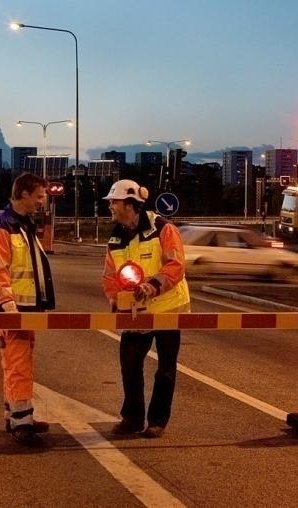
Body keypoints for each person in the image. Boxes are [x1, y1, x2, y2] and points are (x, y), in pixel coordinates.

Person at [101, 179, 190, 439]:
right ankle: (132, 418)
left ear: (131, 204)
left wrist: (152, 286)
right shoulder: (115, 238)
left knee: (165, 369)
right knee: (129, 365)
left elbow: (176, 265)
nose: (111, 207)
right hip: (135, 312)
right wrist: (115, 299)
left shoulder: (163, 229)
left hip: (167, 309)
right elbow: (109, 275)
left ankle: (157, 421)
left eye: (114, 202)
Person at [0, 172, 55, 448]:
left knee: (14, 362)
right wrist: (10, 307)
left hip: (21, 307)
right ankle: (22, 423)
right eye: (38, 196)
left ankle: (15, 415)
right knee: (18, 363)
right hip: (12, 309)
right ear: (23, 194)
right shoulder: (5, 227)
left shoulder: (22, 224)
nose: (42, 202)